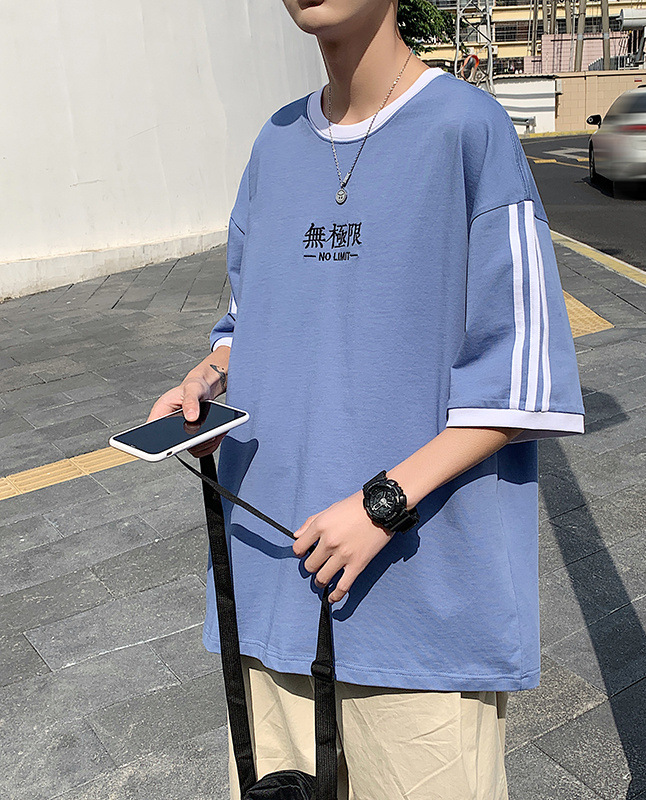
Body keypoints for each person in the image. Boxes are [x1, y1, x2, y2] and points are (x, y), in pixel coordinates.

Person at [148, 1, 584, 797]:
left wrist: (382, 504)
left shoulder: (468, 130)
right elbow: (245, 322)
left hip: (421, 610)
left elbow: (523, 379)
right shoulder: (275, 143)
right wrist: (208, 379)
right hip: (271, 586)